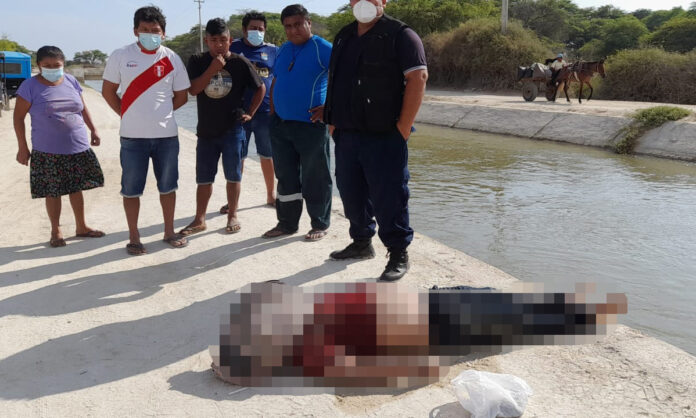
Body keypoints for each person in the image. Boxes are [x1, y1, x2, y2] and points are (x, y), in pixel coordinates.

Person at [324, 0, 428, 281]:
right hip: (347, 133)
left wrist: (402, 128)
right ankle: (361, 242)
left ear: (384, 1)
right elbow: (335, 80)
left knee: (389, 196)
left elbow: (418, 78)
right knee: (351, 192)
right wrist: (333, 123)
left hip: (385, 136)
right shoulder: (344, 35)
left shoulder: (402, 35)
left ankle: (398, 252)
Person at [101, 6, 191, 255]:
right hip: (132, 138)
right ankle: (134, 236)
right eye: (145, 30)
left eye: (155, 30)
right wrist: (127, 114)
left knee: (168, 186)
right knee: (131, 189)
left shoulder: (172, 58)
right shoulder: (120, 55)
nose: (150, 34)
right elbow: (108, 91)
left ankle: (169, 231)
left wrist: (161, 114)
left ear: (163, 33)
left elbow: (182, 96)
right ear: (135, 31)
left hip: (167, 137)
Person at [178, 18, 265, 236]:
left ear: (230, 40)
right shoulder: (197, 60)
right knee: (204, 178)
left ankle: (232, 214)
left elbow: (260, 88)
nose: (218, 44)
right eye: (214, 40)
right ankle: (199, 219)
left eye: (223, 40)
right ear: (207, 40)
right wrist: (212, 69)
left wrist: (250, 113)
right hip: (206, 131)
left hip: (233, 130)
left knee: (233, 176)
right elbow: (193, 90)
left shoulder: (240, 62)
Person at [13, 46, 105, 248]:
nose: (52, 68)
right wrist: (22, 147)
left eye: (57, 65)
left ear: (63, 64)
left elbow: (82, 108)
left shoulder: (71, 81)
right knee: (52, 191)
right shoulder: (29, 86)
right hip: (48, 150)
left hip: (77, 146)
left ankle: (81, 226)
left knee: (76, 187)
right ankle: (56, 231)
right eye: (47, 65)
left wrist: (93, 129)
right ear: (39, 65)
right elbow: (18, 117)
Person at [261, 4, 333, 242]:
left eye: (298, 24)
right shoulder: (283, 49)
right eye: (288, 26)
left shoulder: (323, 48)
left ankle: (319, 223)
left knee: (315, 176)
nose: (293, 30)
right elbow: (277, 79)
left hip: (310, 125)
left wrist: (329, 107)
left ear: (308, 23)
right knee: (286, 176)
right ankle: (287, 223)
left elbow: (345, 78)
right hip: (281, 124)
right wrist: (273, 110)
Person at [219, 11, 279, 214]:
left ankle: (271, 195)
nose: (257, 31)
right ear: (244, 30)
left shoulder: (274, 51)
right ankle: (233, 201)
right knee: (238, 156)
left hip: (266, 112)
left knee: (267, 155)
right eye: (253, 28)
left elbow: (278, 79)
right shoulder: (233, 47)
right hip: (239, 113)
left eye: (260, 29)